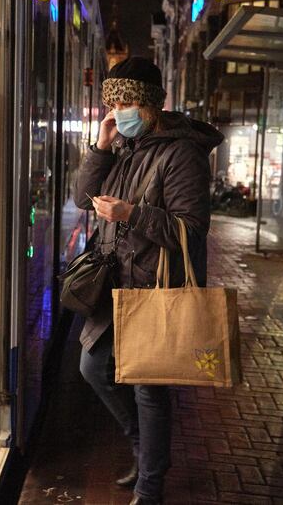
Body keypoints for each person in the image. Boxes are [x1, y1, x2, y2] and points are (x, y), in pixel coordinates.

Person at [75, 57, 223, 505]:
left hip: (153, 287)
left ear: (151, 105)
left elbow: (192, 228)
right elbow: (82, 198)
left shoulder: (181, 154)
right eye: (114, 102)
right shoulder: (123, 147)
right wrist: (100, 147)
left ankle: (150, 484)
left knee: (149, 388)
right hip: (115, 281)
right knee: (93, 366)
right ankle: (144, 448)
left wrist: (130, 214)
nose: (119, 109)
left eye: (127, 101)